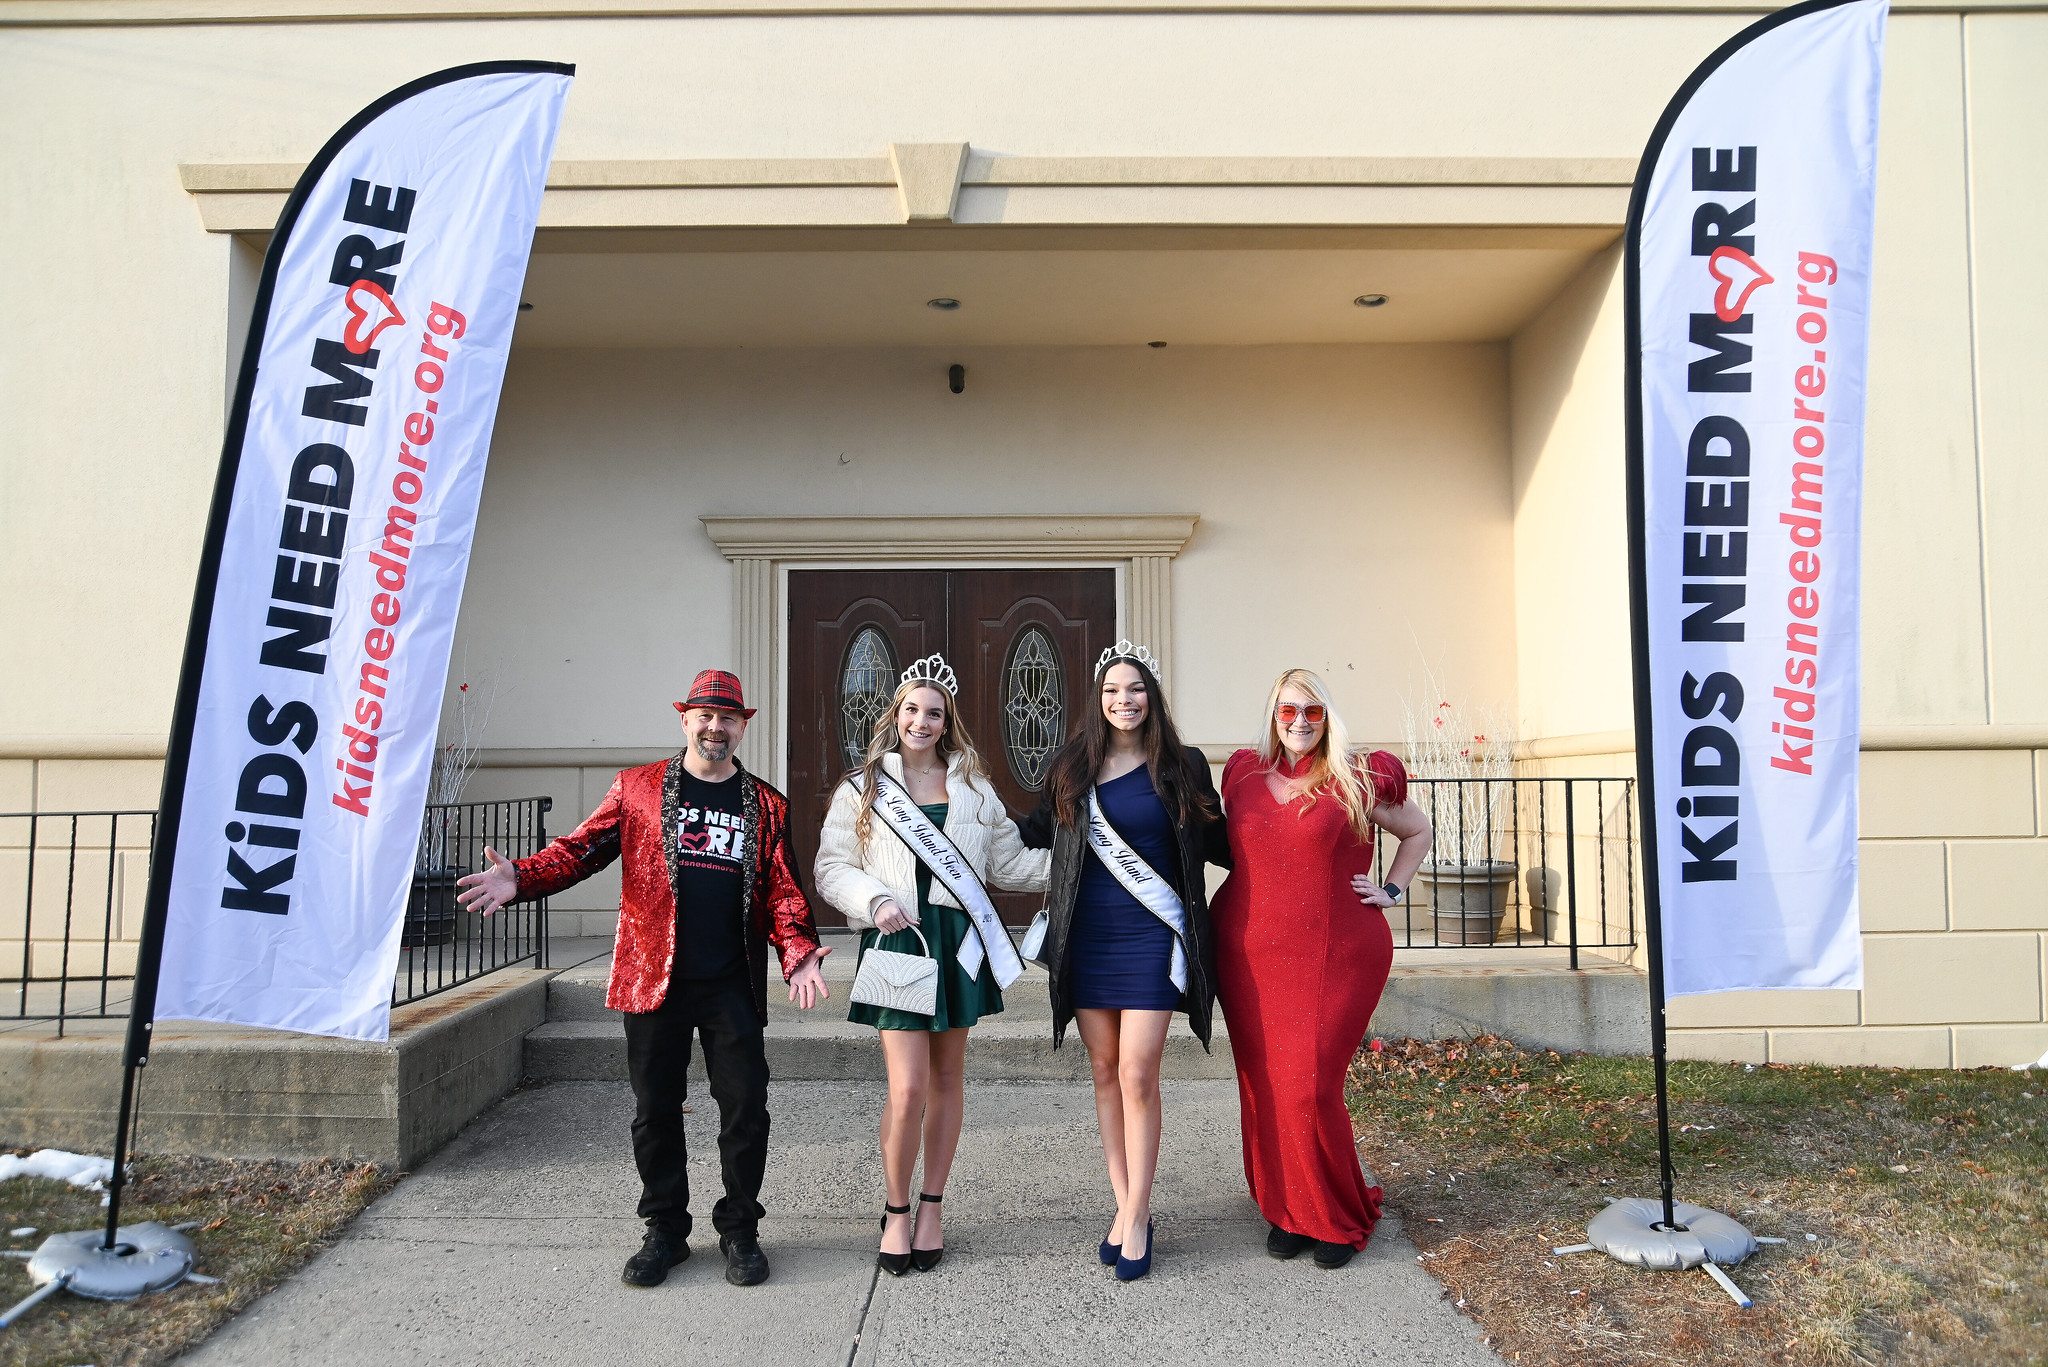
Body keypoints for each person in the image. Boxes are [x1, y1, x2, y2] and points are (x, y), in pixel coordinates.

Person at [455, 670, 830, 1290]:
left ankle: (739, 1228)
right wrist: (520, 878)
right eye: (705, 716)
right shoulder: (638, 789)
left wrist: (798, 953)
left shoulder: (766, 803)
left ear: (744, 725)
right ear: (685, 719)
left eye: (728, 718)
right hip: (651, 978)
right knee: (655, 1109)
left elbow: (782, 887)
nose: (716, 727)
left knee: (745, 1108)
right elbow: (579, 851)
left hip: (731, 983)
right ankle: (665, 1230)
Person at [813, 655, 1049, 1276]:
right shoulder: (862, 789)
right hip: (900, 941)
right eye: (912, 709)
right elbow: (831, 868)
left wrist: (1081, 865)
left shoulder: (974, 789)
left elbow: (1010, 866)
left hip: (957, 943)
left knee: (947, 1081)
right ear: (896, 713)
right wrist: (875, 899)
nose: (922, 721)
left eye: (935, 713)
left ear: (948, 723)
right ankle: (895, 1208)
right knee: (908, 1086)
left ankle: (932, 1207)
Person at [1017, 641, 1228, 1281]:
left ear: (1152, 698)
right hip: (1088, 939)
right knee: (1105, 1072)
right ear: (1097, 701)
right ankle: (1124, 1204)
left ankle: (1138, 1215)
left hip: (1153, 937)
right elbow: (1029, 834)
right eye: (1112, 691)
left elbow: (1224, 842)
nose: (1124, 701)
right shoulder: (1071, 765)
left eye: (1135, 690)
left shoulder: (1183, 766)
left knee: (1138, 1073)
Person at [1211, 668, 1433, 1269]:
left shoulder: (1360, 777)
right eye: (1288, 712)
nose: (1301, 722)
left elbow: (1417, 831)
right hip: (1248, 951)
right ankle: (1286, 1209)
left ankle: (1332, 1213)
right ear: (1273, 717)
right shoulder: (1242, 775)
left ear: (1327, 717)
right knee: (1265, 1087)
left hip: (1339, 951)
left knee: (1309, 1086)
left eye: (1312, 711)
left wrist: (1392, 888)